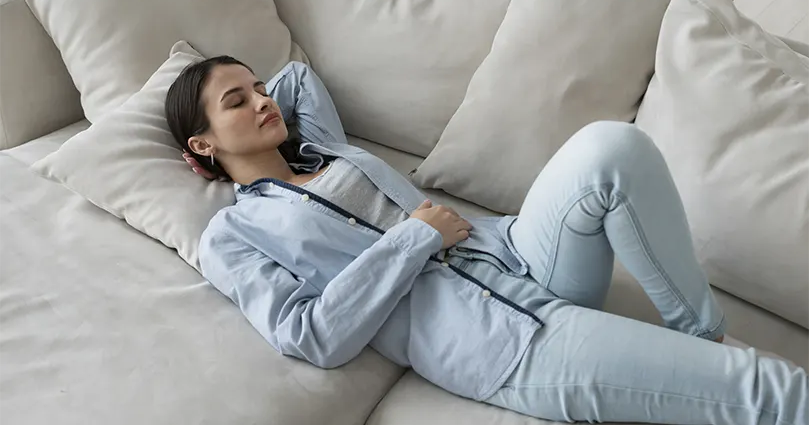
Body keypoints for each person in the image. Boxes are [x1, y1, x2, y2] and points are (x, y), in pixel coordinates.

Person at [165, 57, 808, 424]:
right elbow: (309, 336)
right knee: (768, 391)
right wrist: (413, 238)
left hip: (517, 251)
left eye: (255, 88)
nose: (260, 101)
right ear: (202, 143)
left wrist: (243, 105)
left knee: (612, 146)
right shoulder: (233, 234)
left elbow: (298, 76)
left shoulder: (320, 146)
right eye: (236, 100)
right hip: (503, 342)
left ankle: (700, 329)